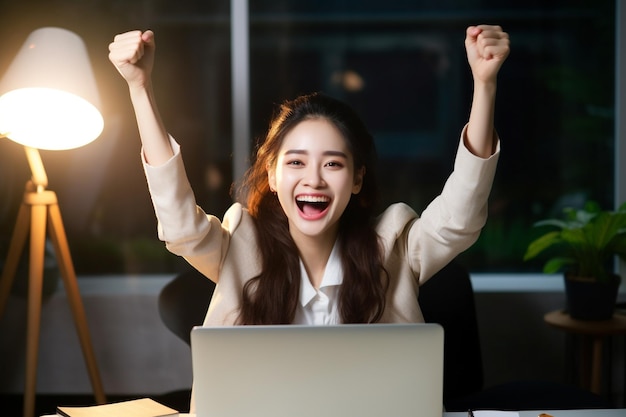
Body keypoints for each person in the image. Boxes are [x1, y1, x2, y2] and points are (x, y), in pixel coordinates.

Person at [108, 25, 509, 327]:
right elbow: (179, 227)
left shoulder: (394, 248)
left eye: (333, 164)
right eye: (296, 162)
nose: (314, 180)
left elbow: (459, 218)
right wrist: (140, 88)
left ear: (356, 179)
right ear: (273, 174)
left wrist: (484, 84)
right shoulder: (239, 247)